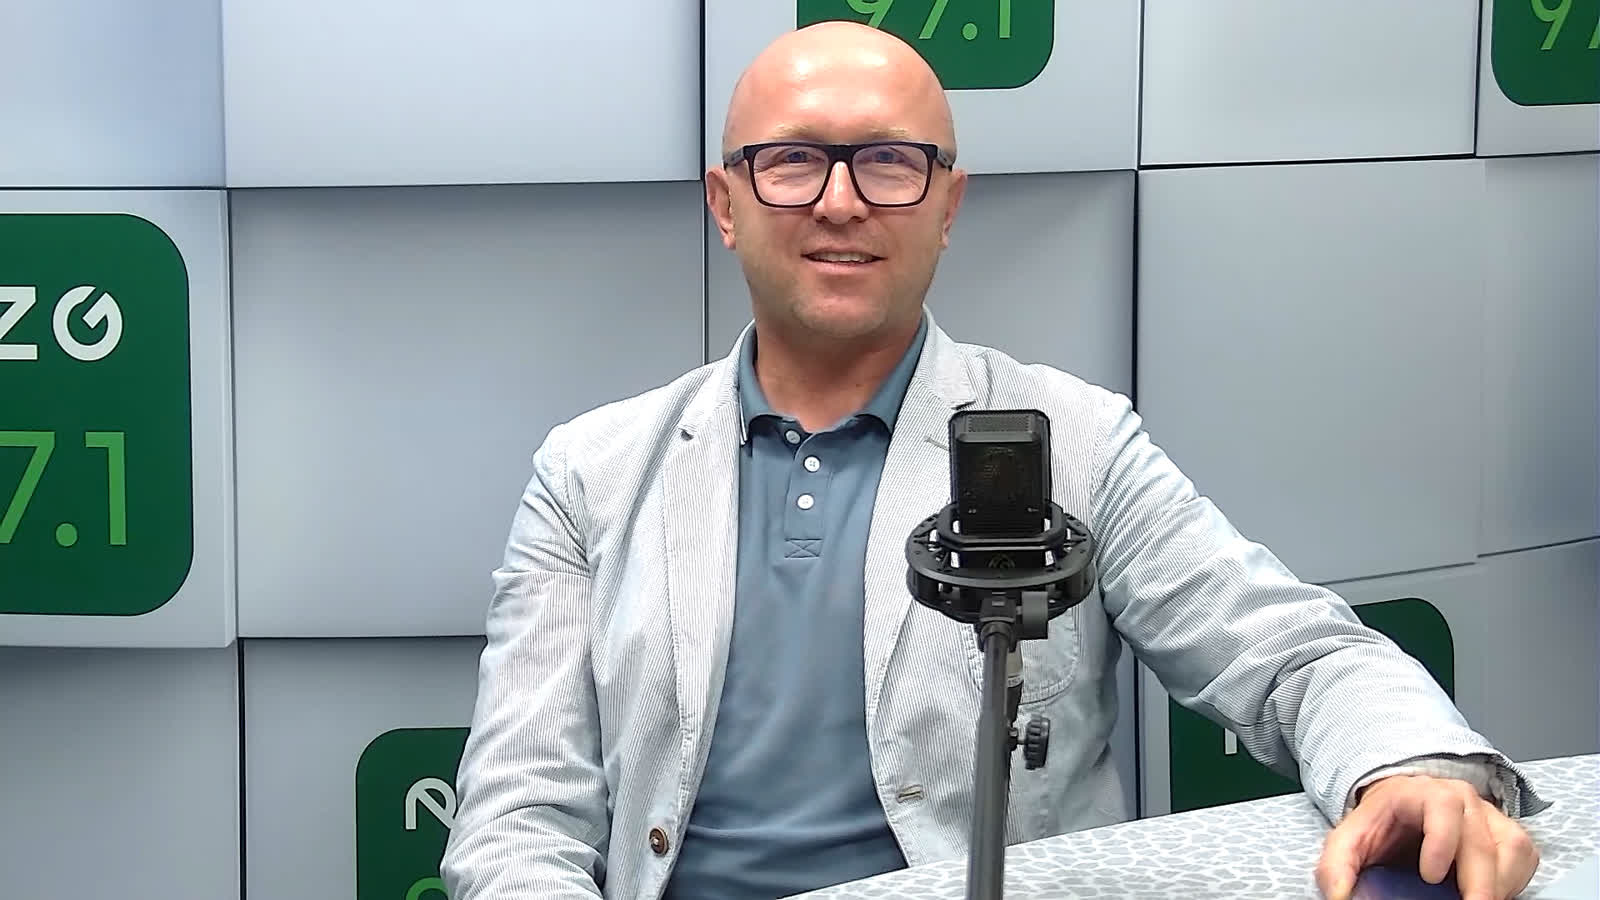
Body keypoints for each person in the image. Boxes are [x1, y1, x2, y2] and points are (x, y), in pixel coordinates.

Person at [441, 20, 1546, 900]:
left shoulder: (1077, 441)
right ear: (725, 203)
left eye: (889, 162)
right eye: (792, 161)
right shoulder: (590, 473)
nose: (840, 201)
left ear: (947, 205)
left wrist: (1409, 768)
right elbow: (515, 817)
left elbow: (1296, 657)